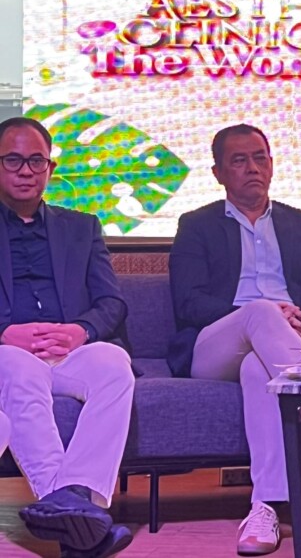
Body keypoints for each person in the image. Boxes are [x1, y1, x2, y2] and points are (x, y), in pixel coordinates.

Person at [168, 124, 301, 556]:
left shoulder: (300, 223)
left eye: (260, 157)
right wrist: (259, 314)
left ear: (273, 164)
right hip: (214, 347)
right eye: (239, 160)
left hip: (281, 344)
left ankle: (265, 507)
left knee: (258, 370)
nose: (253, 168)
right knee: (260, 310)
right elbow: (189, 302)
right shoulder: (197, 225)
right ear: (218, 173)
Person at [0, 117, 135, 558]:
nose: (25, 171)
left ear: (51, 168)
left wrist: (81, 331)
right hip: (9, 353)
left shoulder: (82, 227)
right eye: (13, 160)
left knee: (114, 364)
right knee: (17, 367)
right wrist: (4, 333)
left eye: (35, 161)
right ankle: (78, 520)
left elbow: (111, 302)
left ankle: (69, 500)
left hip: (68, 351)